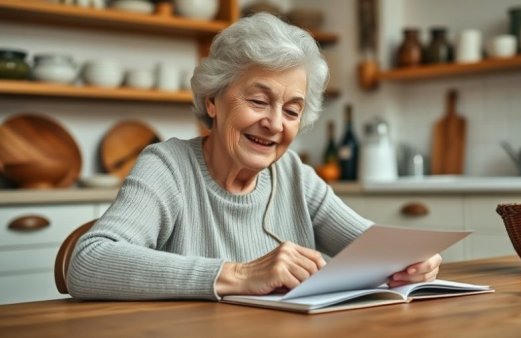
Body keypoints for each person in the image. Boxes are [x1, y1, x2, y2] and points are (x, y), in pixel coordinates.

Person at [67, 13, 442, 300]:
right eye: (259, 101)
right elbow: (88, 262)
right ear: (213, 100)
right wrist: (239, 275)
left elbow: (375, 248)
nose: (275, 124)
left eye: (292, 111)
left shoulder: (294, 174)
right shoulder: (168, 168)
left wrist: (413, 261)